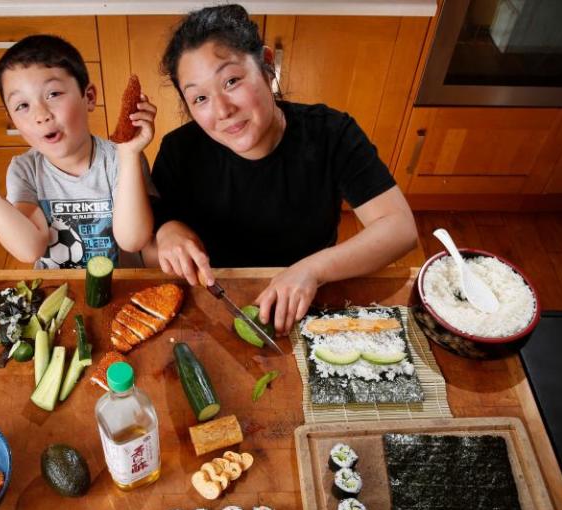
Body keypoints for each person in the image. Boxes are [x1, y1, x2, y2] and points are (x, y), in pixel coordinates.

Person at [150, 4, 418, 334]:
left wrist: (312, 270)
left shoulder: (331, 133)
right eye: (200, 99)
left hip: (309, 299)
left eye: (232, 81)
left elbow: (399, 228)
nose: (222, 110)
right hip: (215, 309)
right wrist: (168, 232)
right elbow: (154, 228)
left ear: (266, 65)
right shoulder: (180, 150)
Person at [0, 35, 157, 268]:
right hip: (57, 291)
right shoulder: (24, 170)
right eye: (22, 105)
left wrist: (129, 156)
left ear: (89, 97)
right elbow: (30, 249)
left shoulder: (122, 158)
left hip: (120, 288)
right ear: (13, 120)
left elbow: (133, 240)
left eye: (53, 94)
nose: (41, 115)